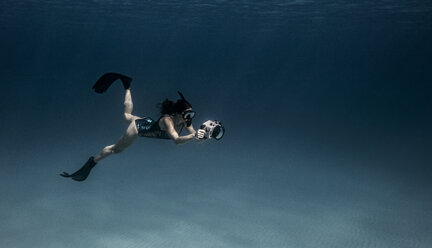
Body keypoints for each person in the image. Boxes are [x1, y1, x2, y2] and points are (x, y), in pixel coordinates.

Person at [61, 73, 205, 182]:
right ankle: (92, 163)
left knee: (125, 115)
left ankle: (127, 85)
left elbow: (197, 139)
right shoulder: (168, 120)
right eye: (188, 114)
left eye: (191, 114)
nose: (190, 117)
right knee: (116, 149)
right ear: (178, 113)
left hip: (148, 122)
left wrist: (205, 135)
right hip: (139, 128)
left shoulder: (185, 121)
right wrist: (193, 135)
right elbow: (177, 140)